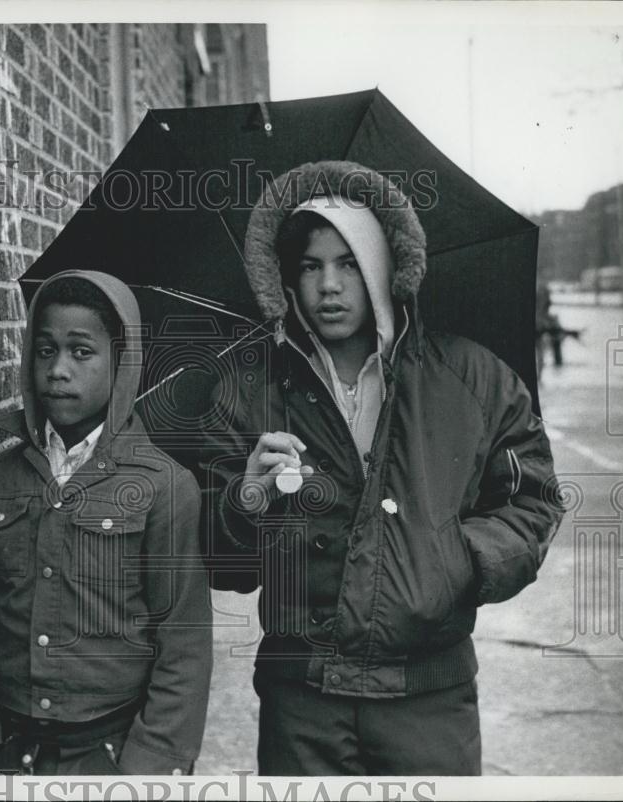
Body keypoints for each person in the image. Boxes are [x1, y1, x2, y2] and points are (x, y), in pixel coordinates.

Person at [198, 161, 563, 776]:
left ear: (386, 269)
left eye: (349, 263)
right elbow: (221, 561)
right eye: (311, 266)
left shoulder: (471, 376)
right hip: (301, 704)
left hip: (430, 696)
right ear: (286, 279)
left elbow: (535, 499)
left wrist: (459, 558)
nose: (330, 286)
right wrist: (245, 502)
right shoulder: (248, 389)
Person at [0, 271, 212, 775]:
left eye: (82, 352)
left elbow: (183, 645)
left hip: (110, 749)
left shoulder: (164, 486)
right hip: (13, 750)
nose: (58, 370)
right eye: (44, 350)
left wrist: (152, 764)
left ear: (121, 363)